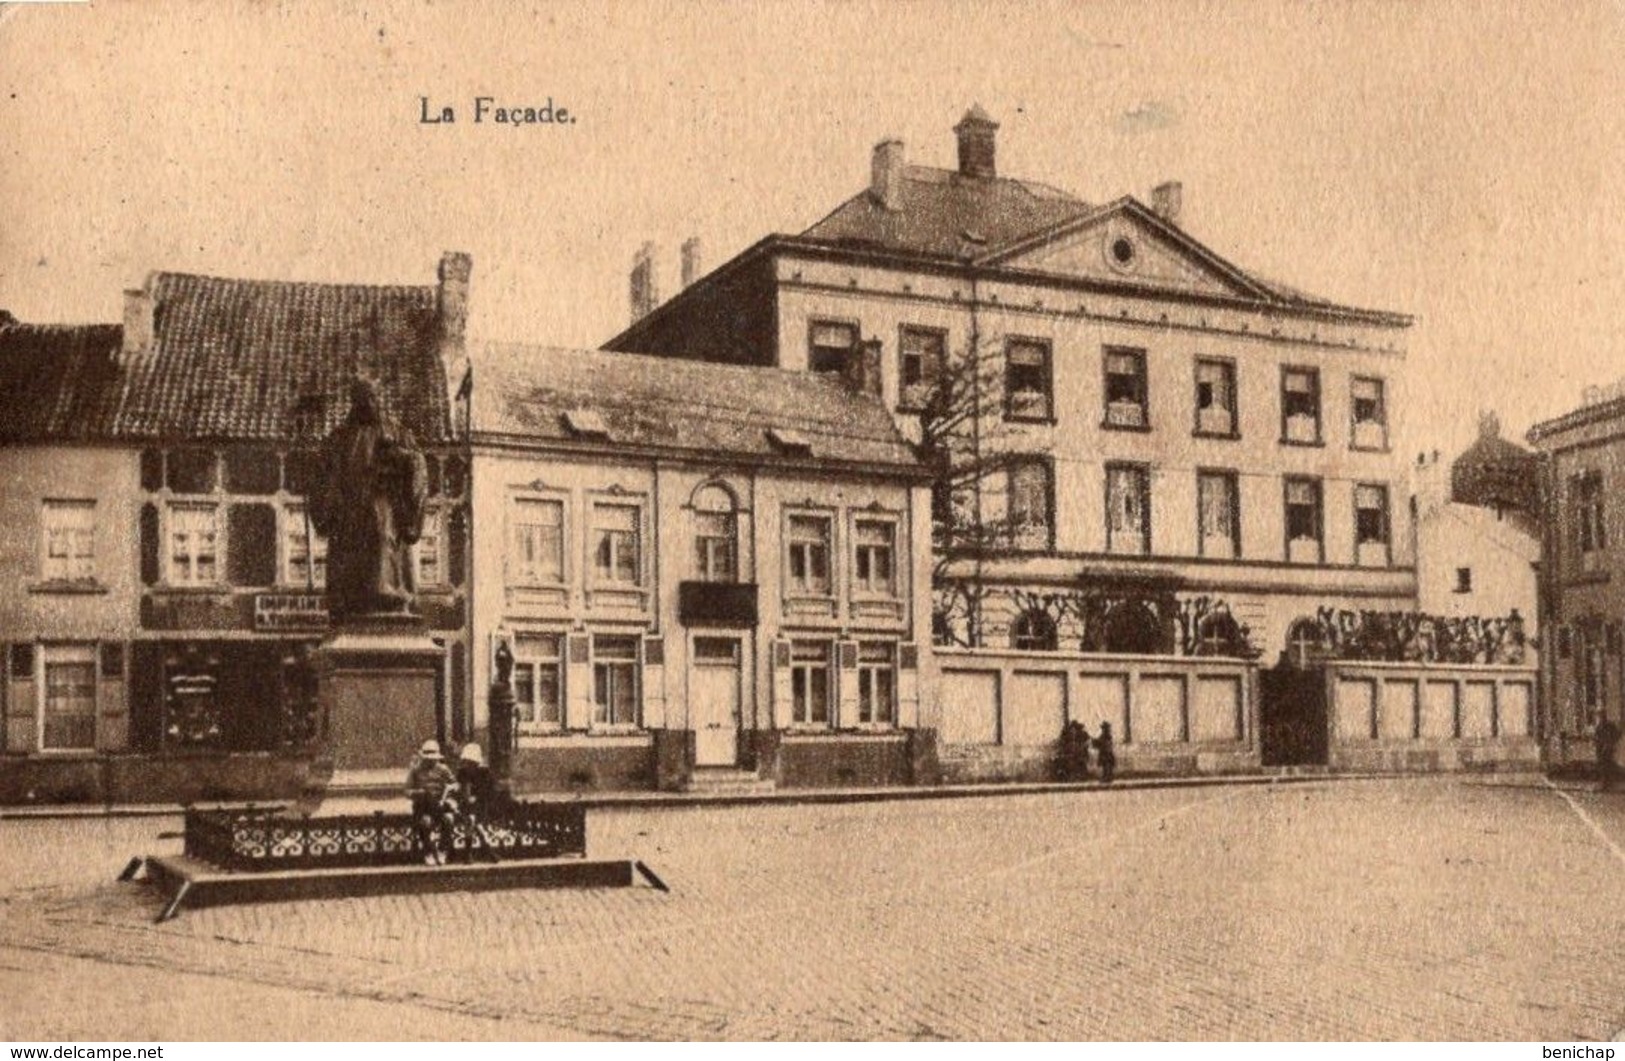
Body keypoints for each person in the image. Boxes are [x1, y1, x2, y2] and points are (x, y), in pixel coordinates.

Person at [308, 379, 429, 620]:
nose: (370, 404)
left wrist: (402, 458)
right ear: (355, 404)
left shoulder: (396, 433)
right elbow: (322, 477)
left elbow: (418, 465)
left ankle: (388, 595)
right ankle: (354, 600)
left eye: (373, 398)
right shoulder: (339, 439)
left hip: (384, 506)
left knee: (381, 534)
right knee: (351, 560)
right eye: (364, 400)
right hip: (349, 513)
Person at [405, 738, 457, 864]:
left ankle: (442, 850)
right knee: (426, 822)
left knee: (449, 819)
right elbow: (407, 791)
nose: (430, 761)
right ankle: (428, 851)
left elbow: (455, 784)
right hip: (423, 806)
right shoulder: (415, 770)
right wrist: (419, 793)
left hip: (440, 804)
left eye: (433, 759)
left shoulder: (443, 769)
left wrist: (451, 788)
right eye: (428, 759)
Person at [453, 743, 505, 862]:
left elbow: (489, 792)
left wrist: (476, 797)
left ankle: (469, 853)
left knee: (474, 822)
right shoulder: (462, 772)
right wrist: (465, 797)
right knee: (471, 820)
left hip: (482, 804)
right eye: (466, 761)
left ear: (476, 763)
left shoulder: (485, 773)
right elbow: (462, 791)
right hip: (465, 804)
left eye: (471, 762)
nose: (468, 764)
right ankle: (486, 852)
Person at [1595, 715, 1622, 793]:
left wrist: (1611, 743)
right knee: (1602, 767)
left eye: (1602, 716)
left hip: (1608, 749)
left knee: (1609, 766)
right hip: (1601, 750)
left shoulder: (1610, 726)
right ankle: (1604, 784)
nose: (1601, 718)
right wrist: (1599, 745)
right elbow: (1596, 737)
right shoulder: (1599, 726)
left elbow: (1618, 734)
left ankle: (1609, 783)